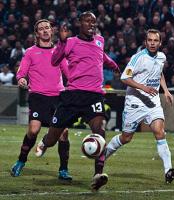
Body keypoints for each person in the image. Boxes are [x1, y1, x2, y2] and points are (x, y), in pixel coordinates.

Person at [35, 11, 119, 192]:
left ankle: (98, 175)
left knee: (100, 131)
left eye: (94, 22)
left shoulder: (100, 40)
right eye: (87, 21)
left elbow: (100, 56)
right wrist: (62, 42)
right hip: (73, 96)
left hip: (94, 95)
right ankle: (44, 142)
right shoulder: (70, 42)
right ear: (79, 23)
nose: (91, 24)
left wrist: (113, 65)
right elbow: (54, 60)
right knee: (52, 139)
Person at [104, 29, 174, 184]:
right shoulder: (138, 58)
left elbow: (159, 73)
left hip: (153, 102)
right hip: (135, 103)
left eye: (155, 41)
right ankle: (102, 156)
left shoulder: (161, 57)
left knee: (159, 131)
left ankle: (168, 170)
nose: (152, 43)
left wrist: (165, 90)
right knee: (126, 138)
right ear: (145, 42)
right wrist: (143, 87)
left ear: (160, 43)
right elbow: (125, 77)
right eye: (150, 40)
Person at [10, 19, 72, 180]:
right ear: (36, 34)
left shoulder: (59, 51)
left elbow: (69, 73)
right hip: (38, 96)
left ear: (52, 31)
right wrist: (21, 79)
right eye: (41, 29)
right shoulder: (30, 52)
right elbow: (21, 72)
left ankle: (63, 170)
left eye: (47, 28)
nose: (45, 31)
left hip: (58, 97)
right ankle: (20, 161)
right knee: (33, 130)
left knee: (63, 133)